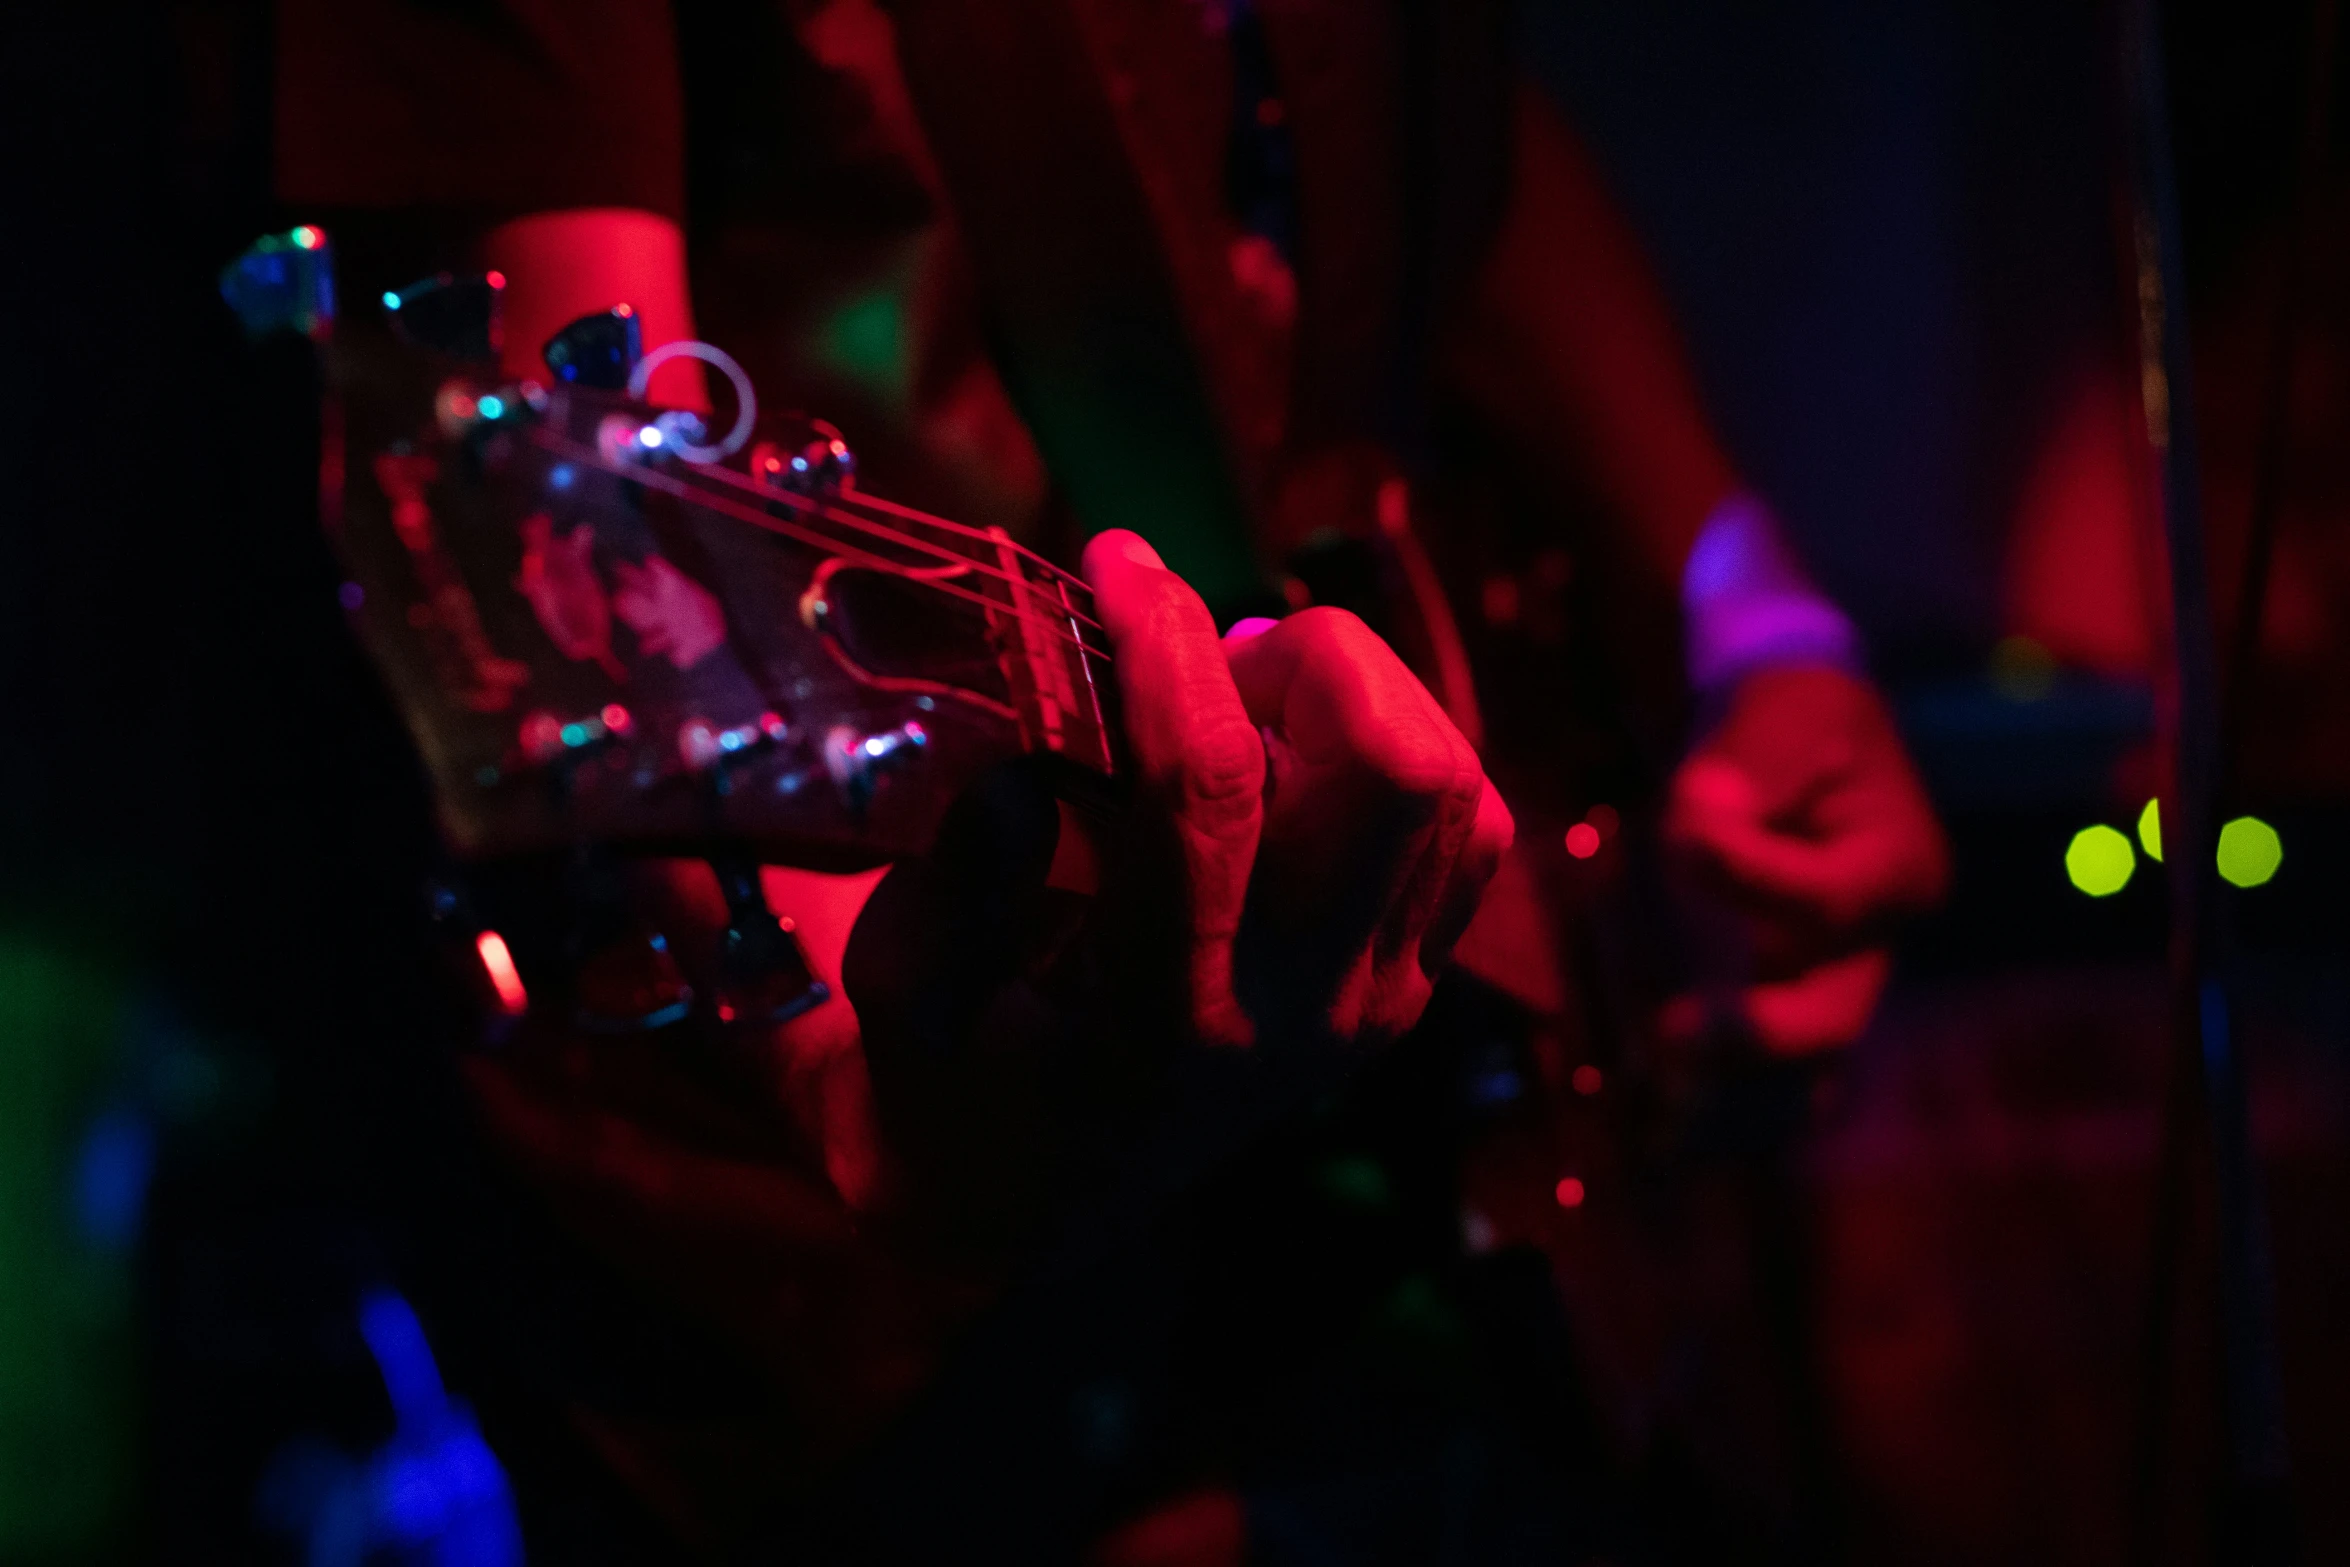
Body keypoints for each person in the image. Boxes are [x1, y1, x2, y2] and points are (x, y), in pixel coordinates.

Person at [153, 0, 1948, 1560]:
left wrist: (1744, 605)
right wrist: (839, 1066)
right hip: (873, 1315)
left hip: (1435, 1212)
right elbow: (553, 526)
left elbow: (1436, 145)